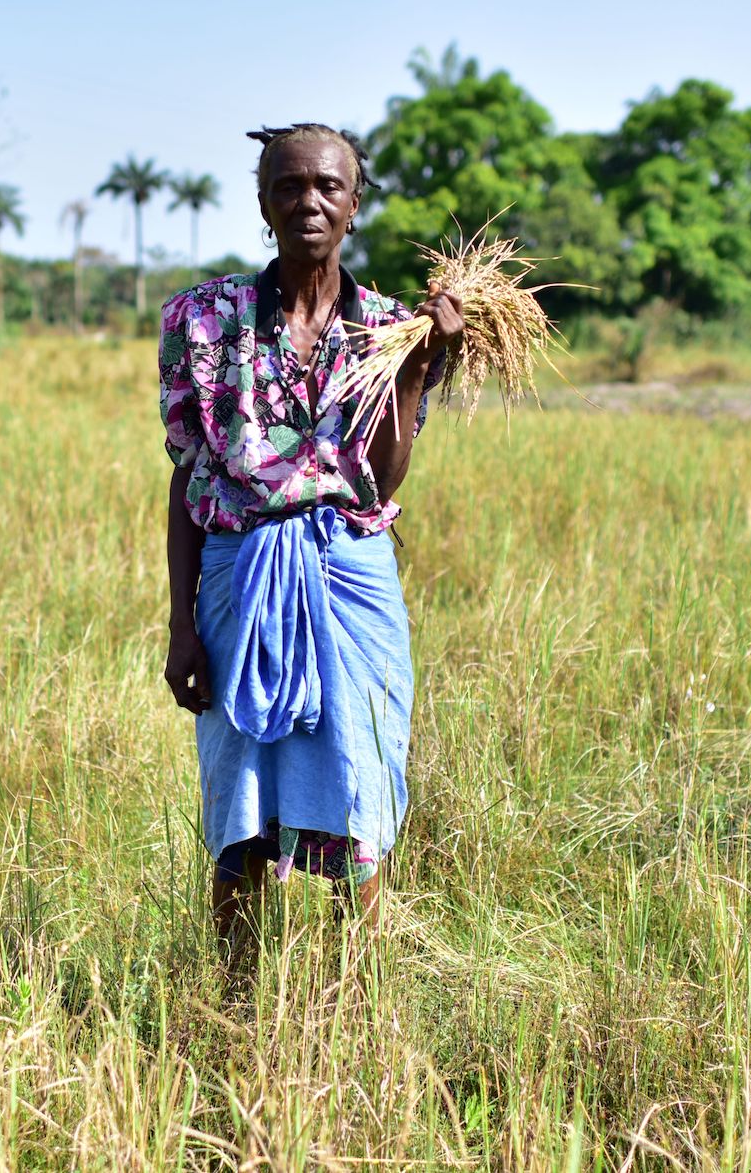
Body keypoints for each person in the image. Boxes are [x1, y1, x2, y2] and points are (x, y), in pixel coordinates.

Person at [158, 123, 463, 970]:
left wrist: (417, 369)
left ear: (355, 205)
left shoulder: (392, 331)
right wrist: (182, 627)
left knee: (357, 783)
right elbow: (188, 478)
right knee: (239, 804)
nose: (309, 202)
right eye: (289, 186)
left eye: (328, 186)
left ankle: (355, 1002)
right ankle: (233, 994)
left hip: (349, 577)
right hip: (239, 578)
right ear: (263, 203)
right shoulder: (204, 320)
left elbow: (382, 478)